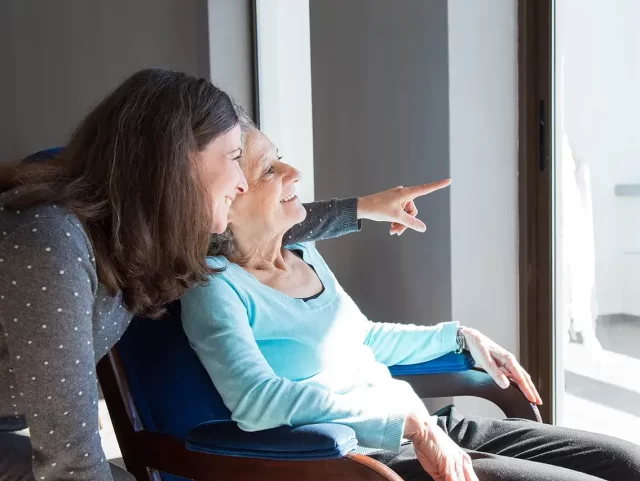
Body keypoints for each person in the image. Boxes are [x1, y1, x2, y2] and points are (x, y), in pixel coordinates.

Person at [0, 68, 446, 481]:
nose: (240, 184)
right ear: (176, 162)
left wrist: (361, 209)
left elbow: (253, 225)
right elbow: (70, 458)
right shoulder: (51, 242)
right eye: (234, 157)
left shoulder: (137, 236)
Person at [181, 126, 640, 481]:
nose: (293, 173)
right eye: (269, 170)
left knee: (628, 462)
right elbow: (257, 402)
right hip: (364, 460)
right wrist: (410, 424)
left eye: (280, 159)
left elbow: (362, 339)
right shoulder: (216, 288)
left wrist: (458, 336)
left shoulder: (303, 254)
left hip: (423, 427)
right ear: (229, 197)